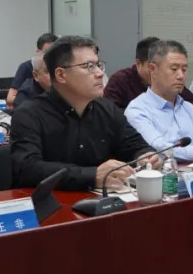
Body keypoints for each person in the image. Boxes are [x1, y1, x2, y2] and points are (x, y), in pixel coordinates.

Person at [10, 36, 161, 191]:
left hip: (102, 198)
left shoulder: (106, 108)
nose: (100, 73)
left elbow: (134, 145)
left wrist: (145, 156)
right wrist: (92, 175)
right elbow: (27, 168)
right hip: (48, 200)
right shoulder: (29, 114)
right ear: (61, 75)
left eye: (98, 65)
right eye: (89, 66)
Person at [125, 40, 193, 163]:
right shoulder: (137, 110)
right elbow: (161, 149)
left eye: (184, 69)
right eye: (174, 69)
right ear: (152, 69)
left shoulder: (192, 110)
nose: (181, 76)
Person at [104, 37, 193, 112]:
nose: (155, 71)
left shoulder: (168, 80)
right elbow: (110, 114)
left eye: (184, 69)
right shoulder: (120, 80)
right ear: (138, 63)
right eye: (151, 67)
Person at [7, 33, 57, 107]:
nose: (51, 57)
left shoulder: (63, 67)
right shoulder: (26, 67)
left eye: (55, 52)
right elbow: (10, 98)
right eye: (47, 52)